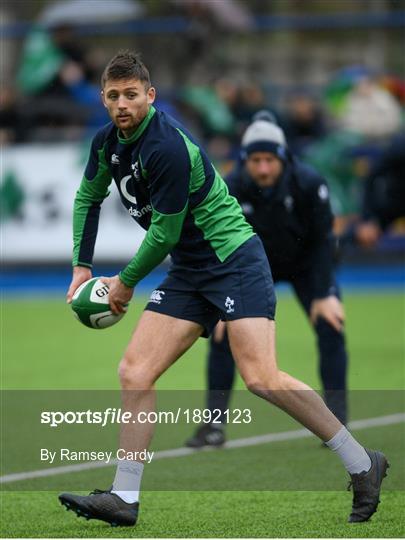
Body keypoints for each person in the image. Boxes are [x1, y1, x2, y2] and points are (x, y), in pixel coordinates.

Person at [59, 51, 389, 528]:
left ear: (150, 96)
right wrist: (81, 268)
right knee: (135, 371)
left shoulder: (166, 147)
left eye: (132, 94)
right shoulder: (106, 142)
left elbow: (165, 234)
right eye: (113, 96)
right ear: (104, 100)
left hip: (234, 260)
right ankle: (124, 498)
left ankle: (362, 464)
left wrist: (124, 284)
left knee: (261, 377)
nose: (122, 104)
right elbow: (88, 197)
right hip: (192, 269)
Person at [186, 111, 349, 450]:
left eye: (269, 160)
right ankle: (213, 426)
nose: (262, 168)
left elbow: (322, 241)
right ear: (245, 160)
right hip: (254, 268)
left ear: (283, 158)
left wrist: (324, 292)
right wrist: (220, 301)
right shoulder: (230, 186)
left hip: (307, 264)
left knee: (331, 324)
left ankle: (337, 422)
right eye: (255, 160)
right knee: (223, 334)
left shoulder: (309, 182)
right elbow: (216, 244)